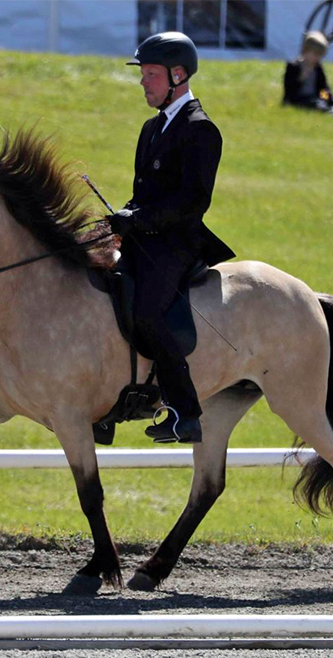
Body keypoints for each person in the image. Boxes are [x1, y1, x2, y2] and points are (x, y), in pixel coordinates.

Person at [108, 32, 235, 444]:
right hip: (144, 237)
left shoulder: (201, 130)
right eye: (142, 74)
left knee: (147, 313)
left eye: (150, 74)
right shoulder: (151, 128)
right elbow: (144, 193)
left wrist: (138, 219)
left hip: (177, 244)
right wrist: (117, 219)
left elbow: (193, 201)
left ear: (178, 75)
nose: (143, 82)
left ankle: (185, 412)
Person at [283, 32, 333, 117]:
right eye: (315, 54)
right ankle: (332, 112)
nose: (317, 58)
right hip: (298, 100)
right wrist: (300, 79)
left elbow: (323, 88)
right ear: (305, 51)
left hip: (316, 97)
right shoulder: (293, 67)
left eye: (320, 55)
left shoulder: (317, 68)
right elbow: (289, 92)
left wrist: (327, 98)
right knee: (315, 104)